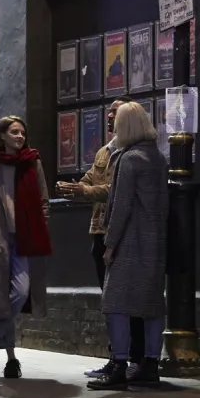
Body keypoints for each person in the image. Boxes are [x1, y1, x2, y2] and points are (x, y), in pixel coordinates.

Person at [57, 97, 145, 378]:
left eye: (115, 114)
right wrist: (75, 187)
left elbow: (113, 190)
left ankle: (136, 358)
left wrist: (87, 191)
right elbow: (91, 179)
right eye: (108, 114)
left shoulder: (131, 153)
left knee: (128, 299)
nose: (110, 119)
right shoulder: (106, 151)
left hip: (121, 232)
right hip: (99, 229)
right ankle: (116, 355)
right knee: (109, 300)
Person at [87, 101, 168, 391]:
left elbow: (120, 206)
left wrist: (109, 244)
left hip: (130, 240)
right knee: (152, 304)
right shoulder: (158, 157)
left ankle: (119, 365)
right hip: (155, 240)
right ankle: (150, 364)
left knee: (115, 303)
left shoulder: (128, 159)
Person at [0, 116, 52, 379]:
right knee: (3, 299)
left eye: (23, 133)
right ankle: (12, 360)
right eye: (14, 132)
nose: (20, 137)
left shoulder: (32, 163)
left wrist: (40, 226)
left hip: (26, 240)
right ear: (2, 135)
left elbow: (43, 201)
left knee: (19, 293)